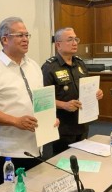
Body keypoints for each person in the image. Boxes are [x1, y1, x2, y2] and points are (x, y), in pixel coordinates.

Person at [0, 17, 59, 188]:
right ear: (4, 39)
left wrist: (49, 117)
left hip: (36, 146)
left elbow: (40, 100)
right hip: (8, 151)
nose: (26, 39)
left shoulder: (34, 66)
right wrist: (16, 121)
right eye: (20, 35)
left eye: (27, 35)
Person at [42, 27, 103, 155]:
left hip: (82, 123)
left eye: (76, 39)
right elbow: (43, 100)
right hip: (63, 127)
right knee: (64, 163)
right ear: (58, 44)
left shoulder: (80, 63)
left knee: (83, 159)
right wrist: (64, 105)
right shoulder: (49, 67)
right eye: (70, 40)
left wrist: (96, 93)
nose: (75, 43)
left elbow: (87, 89)